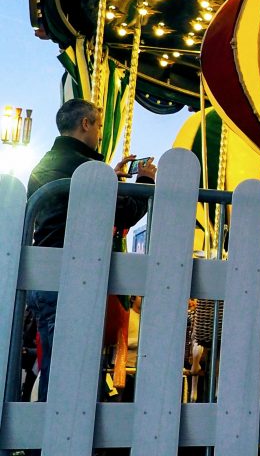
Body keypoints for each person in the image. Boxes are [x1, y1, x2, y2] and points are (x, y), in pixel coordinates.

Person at [26, 98, 157, 401]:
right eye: (98, 125)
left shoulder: (47, 163)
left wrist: (111, 175)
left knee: (55, 365)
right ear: (85, 124)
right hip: (71, 276)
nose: (99, 132)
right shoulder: (83, 167)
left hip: (44, 275)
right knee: (69, 371)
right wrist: (145, 182)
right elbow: (125, 212)